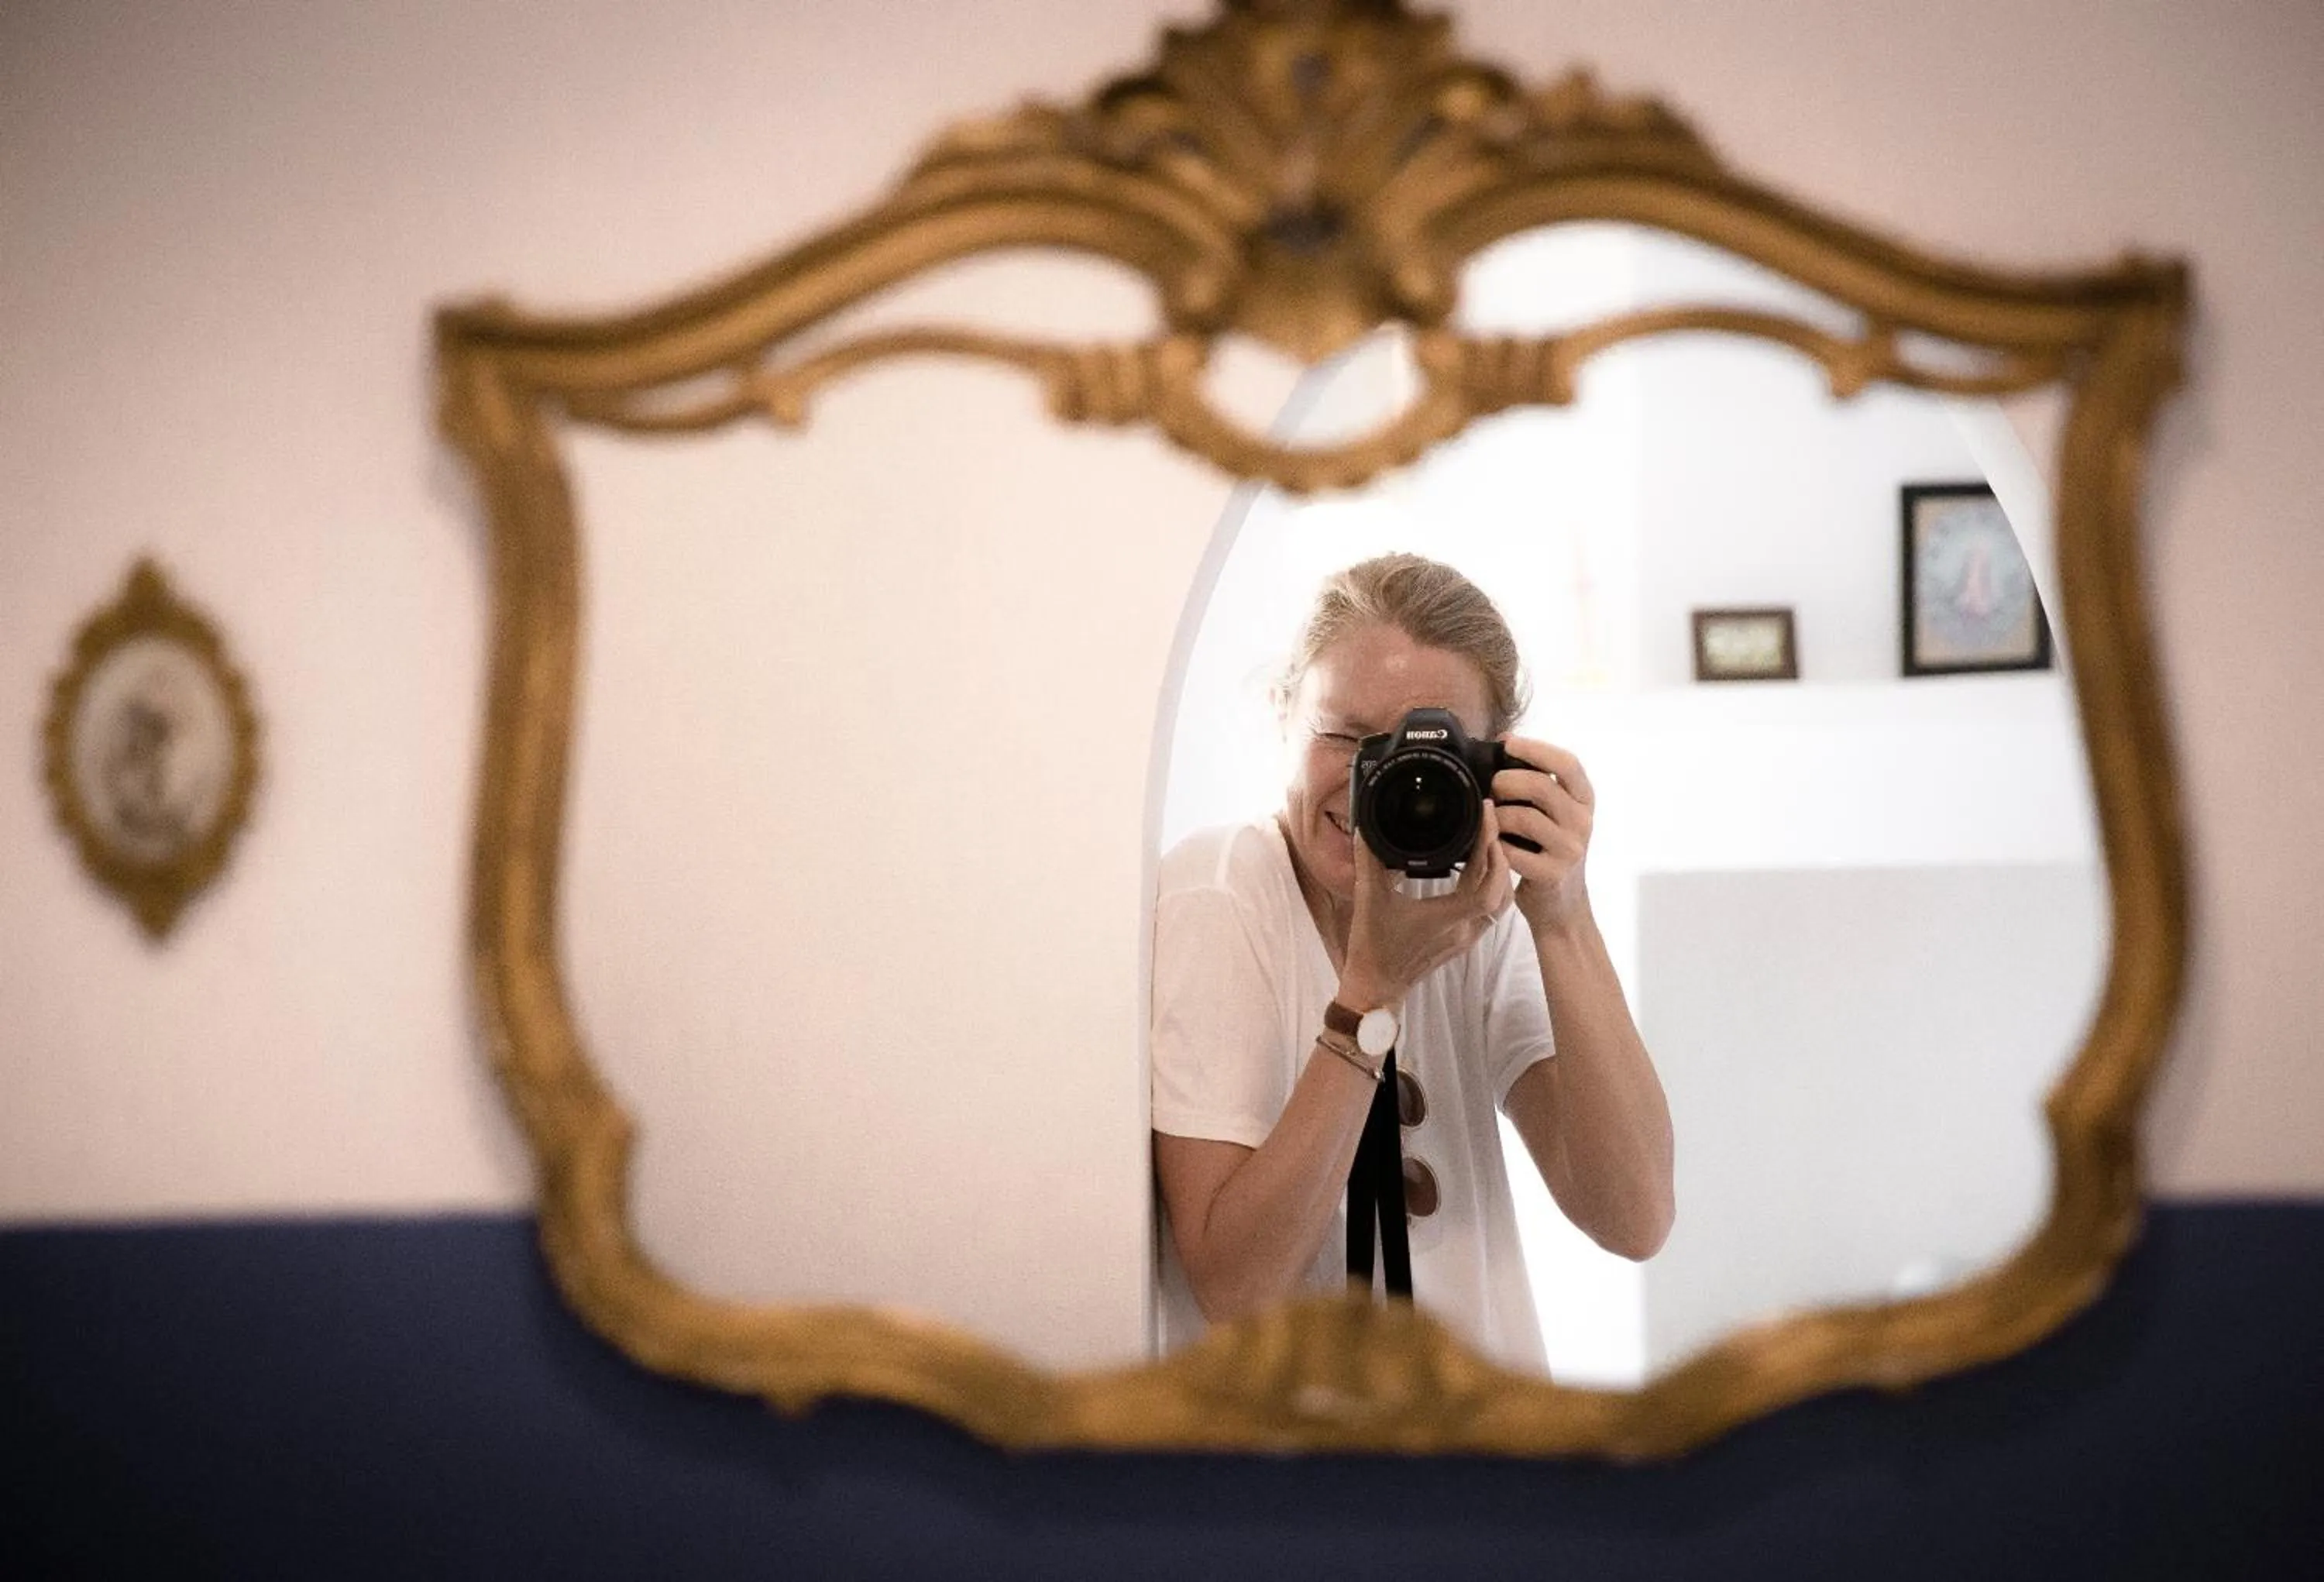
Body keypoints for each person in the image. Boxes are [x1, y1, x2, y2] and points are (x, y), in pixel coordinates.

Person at [1150, 552, 1675, 1371]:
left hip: (1482, 1456)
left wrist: (1564, 915)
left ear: (1495, 764)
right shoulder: (1221, 895)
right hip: (1293, 1478)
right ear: (1283, 714)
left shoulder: (1482, 906)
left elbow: (1633, 1216)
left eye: (1420, 757)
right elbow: (1233, 1287)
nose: (1373, 784)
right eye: (1344, 737)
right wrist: (1371, 991)